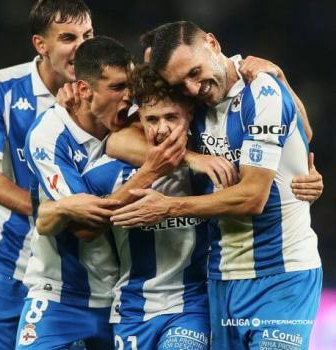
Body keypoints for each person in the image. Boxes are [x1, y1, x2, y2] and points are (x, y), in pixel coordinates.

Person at [111, 21, 323, 349]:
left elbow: (254, 196)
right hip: (222, 279)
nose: (194, 88)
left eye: (195, 73)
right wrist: (191, 158)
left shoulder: (260, 89)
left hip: (282, 276)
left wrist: (168, 207)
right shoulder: (194, 102)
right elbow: (118, 140)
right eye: (182, 84)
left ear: (212, 43)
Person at [18, 37, 190, 349]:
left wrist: (258, 69)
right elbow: (85, 226)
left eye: (130, 86)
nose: (129, 97)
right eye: (117, 87)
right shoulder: (50, 135)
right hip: (61, 294)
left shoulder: (133, 119)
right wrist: (150, 171)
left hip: (119, 301)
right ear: (84, 90)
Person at [0, 0, 95, 349]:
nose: (82, 48)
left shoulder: (104, 90)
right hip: (8, 263)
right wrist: (52, 211)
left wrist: (242, 65)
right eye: (68, 38)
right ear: (41, 44)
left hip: (72, 276)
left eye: (88, 36)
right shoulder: (1, 88)